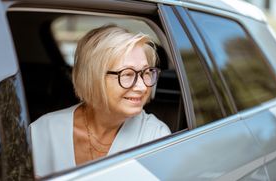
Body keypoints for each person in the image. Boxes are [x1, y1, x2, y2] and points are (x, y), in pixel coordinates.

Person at [29, 24, 171, 177]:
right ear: (92, 78)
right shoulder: (42, 131)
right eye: (127, 74)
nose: (143, 87)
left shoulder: (156, 137)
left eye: (147, 72)